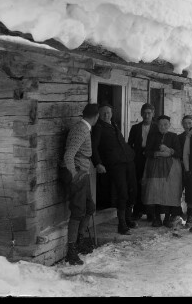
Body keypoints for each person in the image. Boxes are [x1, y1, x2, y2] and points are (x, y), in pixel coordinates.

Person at [59, 103, 99, 265]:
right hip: (77, 175)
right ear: (95, 116)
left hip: (83, 173)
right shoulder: (81, 130)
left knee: (90, 208)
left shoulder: (84, 128)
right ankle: (71, 251)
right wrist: (75, 175)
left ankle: (80, 241)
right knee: (78, 211)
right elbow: (68, 155)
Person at [92, 103, 138, 235]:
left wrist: (131, 153)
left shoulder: (114, 125)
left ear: (112, 113)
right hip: (115, 164)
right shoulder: (98, 128)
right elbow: (94, 147)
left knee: (133, 190)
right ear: (99, 115)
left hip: (128, 161)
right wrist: (98, 163)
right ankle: (122, 225)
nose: (107, 115)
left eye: (109, 112)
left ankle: (128, 219)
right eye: (103, 113)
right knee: (122, 192)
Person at [142, 115, 183, 228]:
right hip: (155, 168)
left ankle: (167, 218)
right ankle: (156, 218)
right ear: (157, 125)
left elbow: (179, 153)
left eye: (165, 124)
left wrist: (169, 150)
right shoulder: (152, 136)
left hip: (171, 169)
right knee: (155, 192)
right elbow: (147, 152)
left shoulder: (173, 136)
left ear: (169, 125)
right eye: (160, 124)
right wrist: (156, 153)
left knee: (169, 192)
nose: (163, 126)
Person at [128, 103, 159, 221]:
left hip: (152, 159)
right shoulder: (135, 128)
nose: (146, 115)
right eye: (144, 113)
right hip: (138, 159)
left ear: (153, 114)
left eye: (149, 113)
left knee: (151, 185)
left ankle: (151, 212)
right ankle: (137, 211)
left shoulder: (157, 128)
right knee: (138, 184)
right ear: (141, 114)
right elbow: (130, 144)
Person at [178, 115, 192, 227]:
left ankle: (190, 216)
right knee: (178, 192)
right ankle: (178, 213)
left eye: (189, 123)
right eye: (185, 123)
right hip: (180, 169)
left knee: (191, 193)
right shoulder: (179, 137)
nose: (187, 125)